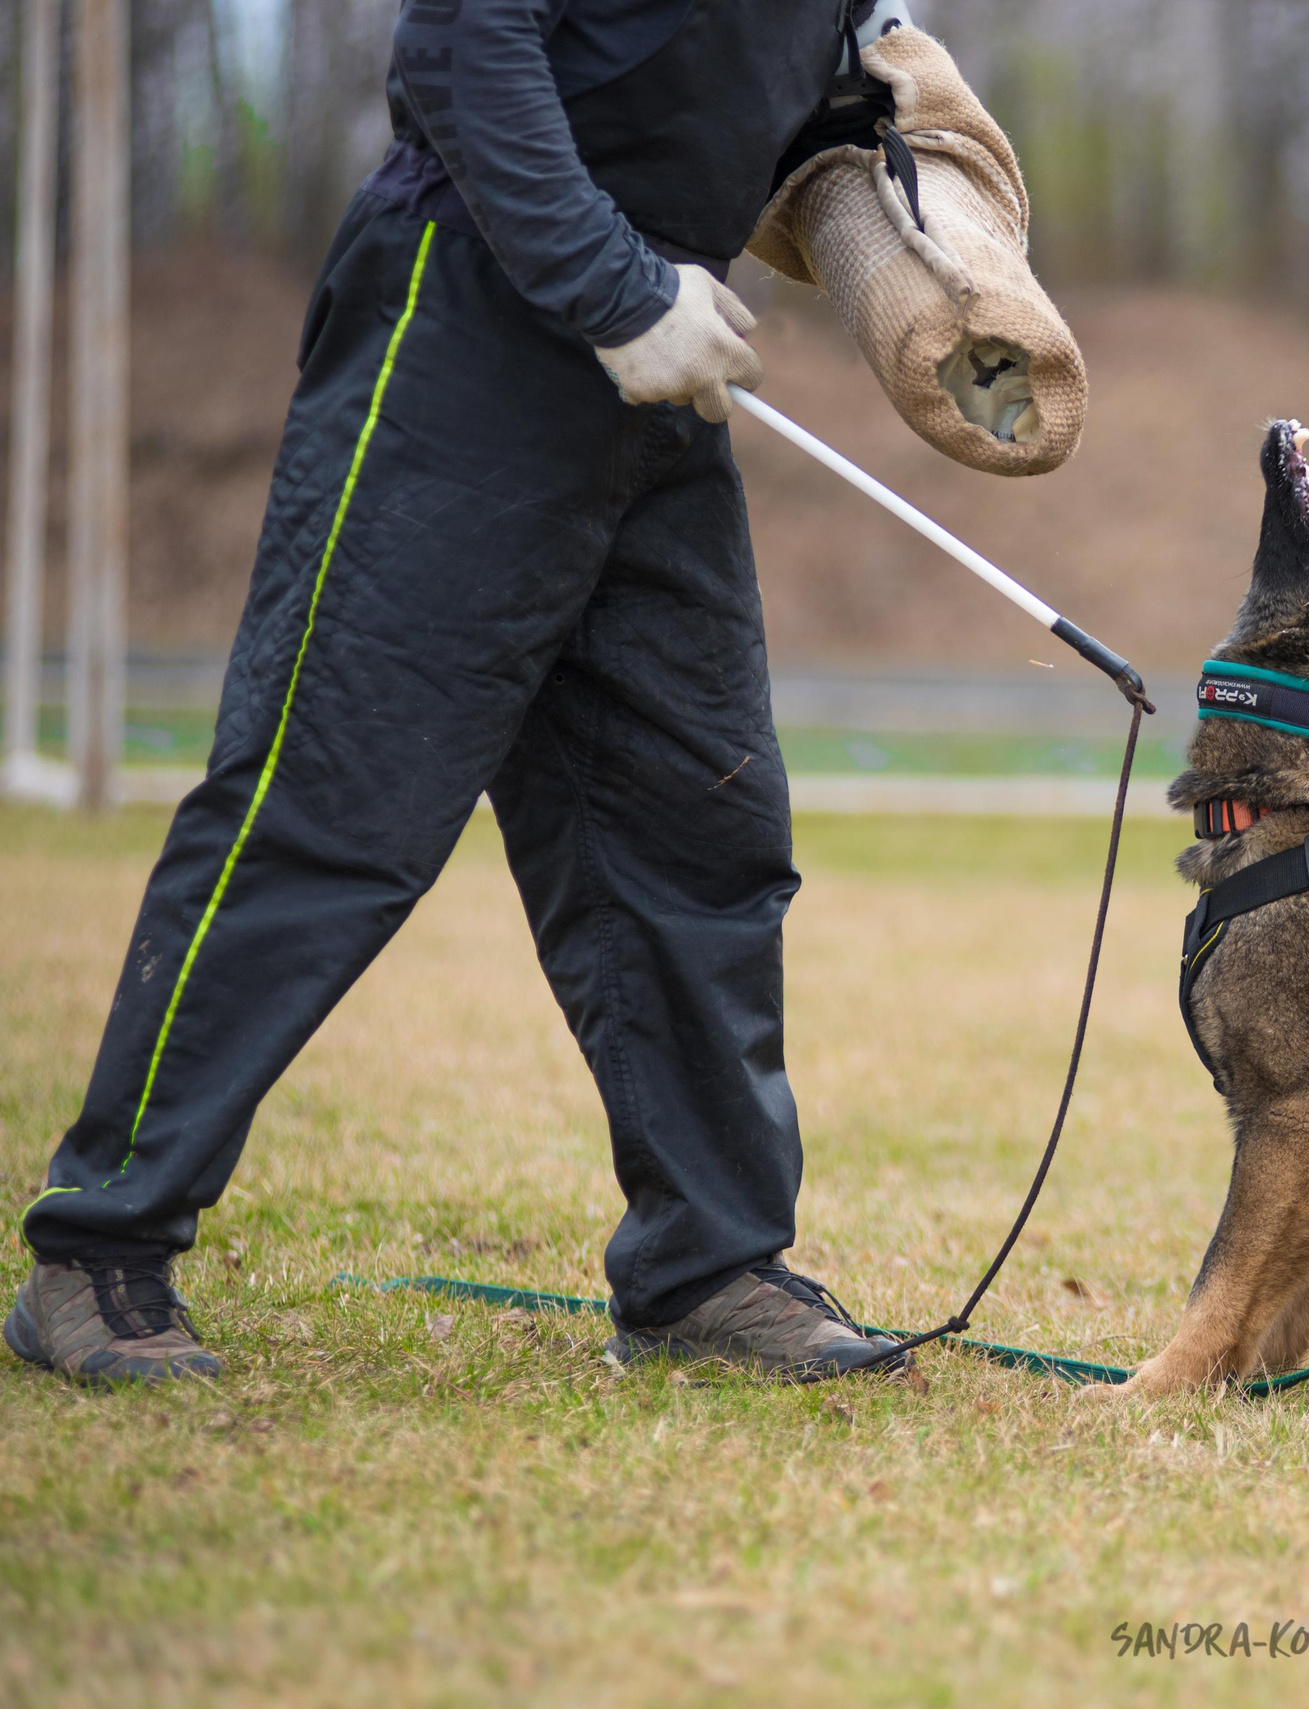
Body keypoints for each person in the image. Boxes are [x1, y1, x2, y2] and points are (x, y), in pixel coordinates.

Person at [8, 0, 1054, 1388]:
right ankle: (99, 1248)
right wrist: (612, 291)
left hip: (659, 368)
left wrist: (887, 139)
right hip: (471, 326)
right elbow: (458, 47)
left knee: (698, 833)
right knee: (329, 806)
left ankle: (704, 1268)